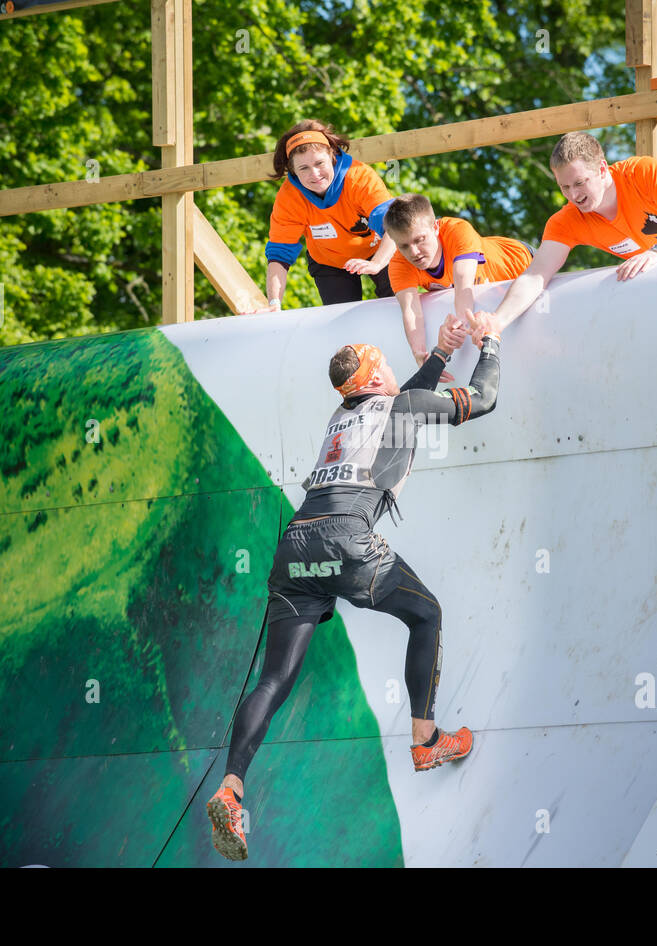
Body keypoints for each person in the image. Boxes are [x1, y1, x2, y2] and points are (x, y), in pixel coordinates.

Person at [205, 311, 503, 862]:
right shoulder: (397, 408)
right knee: (427, 615)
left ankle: (231, 786)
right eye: (384, 364)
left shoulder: (342, 415)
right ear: (369, 380)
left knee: (275, 677)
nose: (393, 369)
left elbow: (403, 405)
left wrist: (438, 353)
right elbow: (479, 400)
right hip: (345, 538)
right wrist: (490, 346)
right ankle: (425, 741)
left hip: (295, 545)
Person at [473, 131, 657, 334]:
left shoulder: (642, 173)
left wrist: (656, 253)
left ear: (602, 169)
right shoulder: (566, 221)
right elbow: (536, 276)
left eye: (580, 183)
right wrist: (497, 322)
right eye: (564, 187)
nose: (574, 195)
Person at [382, 193, 532, 380]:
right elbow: (411, 311)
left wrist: (460, 326)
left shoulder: (457, 230)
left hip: (524, 263)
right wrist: (420, 355)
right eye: (404, 246)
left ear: (435, 227)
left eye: (419, 240)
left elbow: (463, 286)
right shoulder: (399, 264)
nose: (414, 252)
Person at [253, 119, 399, 310]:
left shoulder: (359, 177)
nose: (314, 174)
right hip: (329, 259)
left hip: (380, 247)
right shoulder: (289, 197)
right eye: (304, 168)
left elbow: (394, 226)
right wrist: (274, 303)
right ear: (293, 171)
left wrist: (378, 263)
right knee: (343, 320)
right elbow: (279, 255)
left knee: (396, 304)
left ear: (332, 155)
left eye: (319, 163)